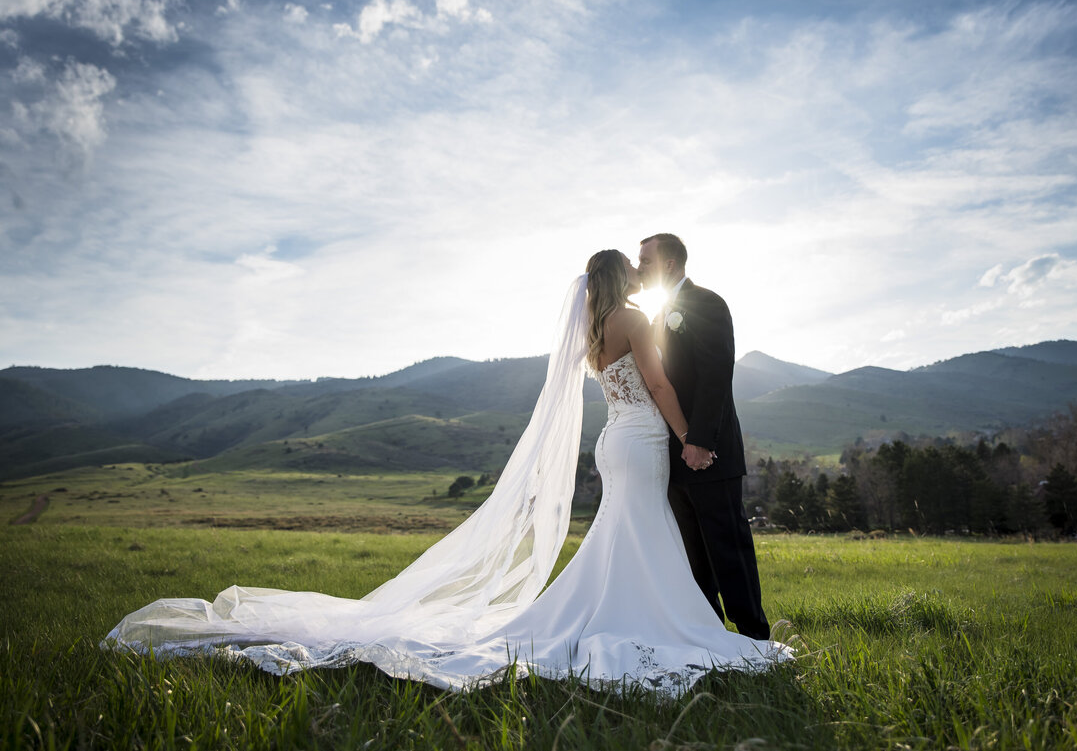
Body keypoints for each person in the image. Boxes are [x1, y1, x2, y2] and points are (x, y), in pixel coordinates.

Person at [104, 250, 790, 694]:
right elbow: (662, 389)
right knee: (643, 534)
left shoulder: (592, 335)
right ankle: (669, 624)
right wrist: (689, 440)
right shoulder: (634, 319)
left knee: (627, 536)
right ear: (620, 280)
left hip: (612, 443)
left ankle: (641, 613)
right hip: (641, 439)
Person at [637, 233, 771, 640]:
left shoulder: (706, 303)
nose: (639, 267)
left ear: (672, 265)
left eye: (645, 261)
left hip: (708, 451)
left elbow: (715, 377)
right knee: (694, 556)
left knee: (728, 547)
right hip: (675, 455)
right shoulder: (659, 314)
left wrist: (699, 441)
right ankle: (711, 636)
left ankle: (753, 637)